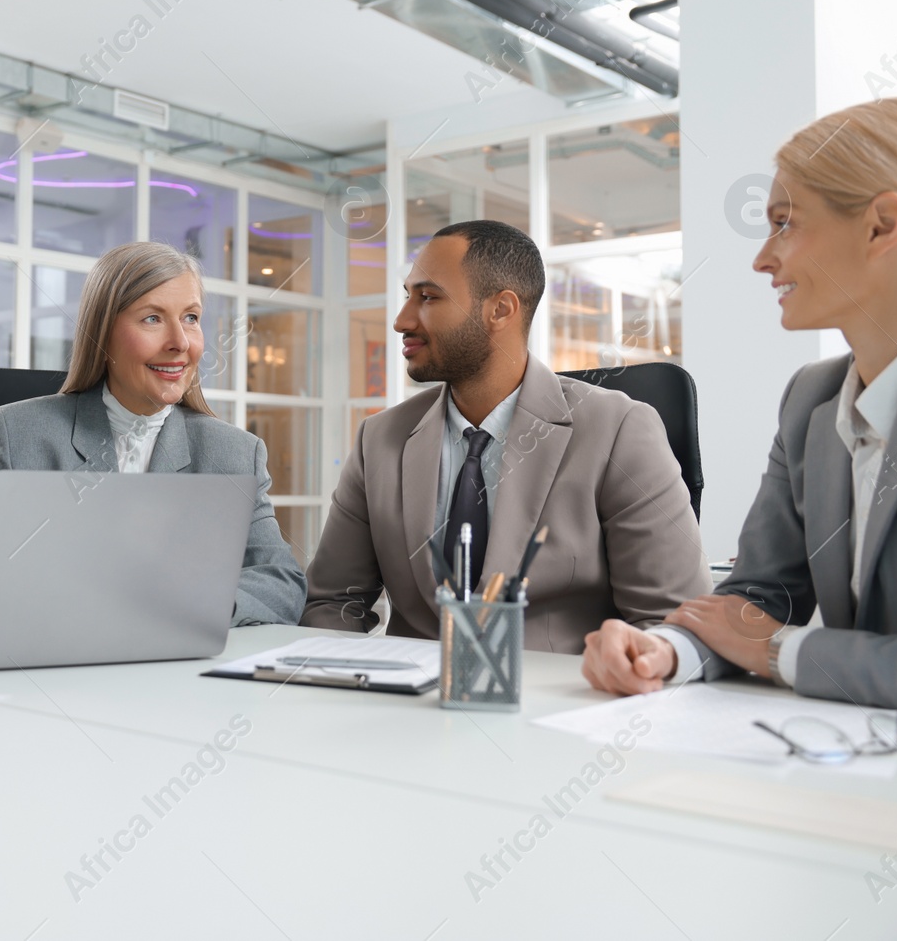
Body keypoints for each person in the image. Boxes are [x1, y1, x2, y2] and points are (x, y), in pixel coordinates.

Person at [582, 97, 897, 717]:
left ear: (882, 226)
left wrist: (785, 653)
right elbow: (756, 600)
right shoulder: (810, 399)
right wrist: (665, 651)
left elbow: (765, 637)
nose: (762, 258)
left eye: (786, 222)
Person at [302, 220, 709, 652]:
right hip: (410, 707)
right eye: (408, 297)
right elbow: (332, 602)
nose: (402, 320)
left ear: (500, 309)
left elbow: (672, 620)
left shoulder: (619, 429)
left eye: (428, 297)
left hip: (557, 704)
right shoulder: (379, 440)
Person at [0, 241, 306, 637]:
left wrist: (197, 601)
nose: (180, 341)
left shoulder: (235, 453)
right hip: (59, 670)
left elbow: (283, 584)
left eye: (191, 317)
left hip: (182, 678)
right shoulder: (21, 432)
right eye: (152, 319)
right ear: (102, 333)